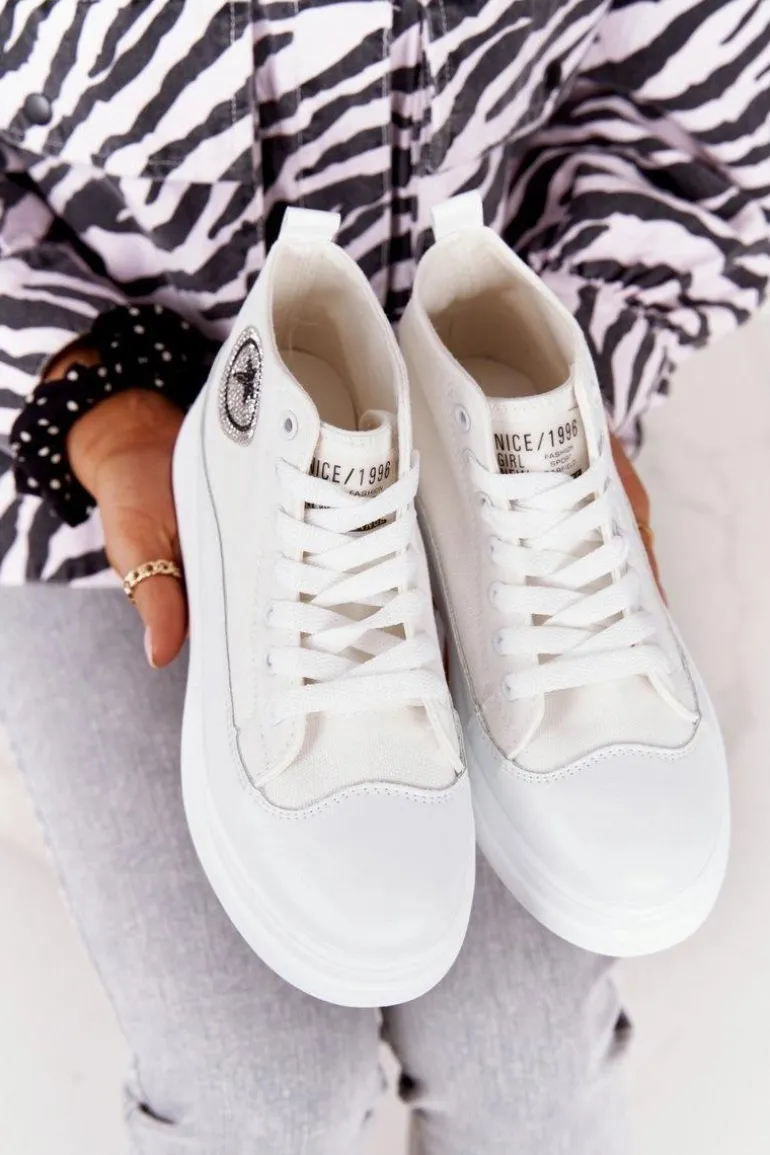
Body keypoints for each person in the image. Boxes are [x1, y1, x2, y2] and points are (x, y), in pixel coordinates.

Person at [1, 2, 767, 1152]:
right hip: (71, 435)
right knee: (261, 1094)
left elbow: (703, 105)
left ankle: (477, 388)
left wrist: (576, 364)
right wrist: (83, 392)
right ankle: (224, 443)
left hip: (472, 418)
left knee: (528, 1065)